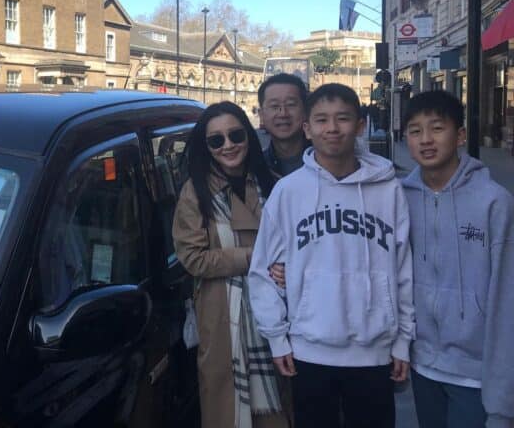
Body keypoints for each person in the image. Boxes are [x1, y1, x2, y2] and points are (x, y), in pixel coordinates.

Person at [248, 83, 414, 428]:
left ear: (361, 125)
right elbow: (262, 270)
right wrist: (277, 338)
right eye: (322, 120)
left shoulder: (388, 188)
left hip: (374, 351)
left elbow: (402, 268)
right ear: (307, 128)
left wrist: (402, 340)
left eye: (342, 118)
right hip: (309, 350)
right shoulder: (289, 191)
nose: (332, 128)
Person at [172, 101, 289, 428]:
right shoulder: (194, 193)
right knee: (229, 412)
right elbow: (192, 257)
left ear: (248, 136)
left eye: (235, 134)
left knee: (280, 408)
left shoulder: (276, 185)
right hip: (224, 320)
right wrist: (254, 258)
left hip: (278, 314)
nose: (228, 145)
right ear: (206, 147)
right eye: (216, 140)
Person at [402, 90, 514, 428]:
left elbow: (507, 300)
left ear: (460, 135)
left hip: (476, 375)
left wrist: (503, 404)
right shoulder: (400, 198)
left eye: (437, 128)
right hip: (423, 367)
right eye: (415, 130)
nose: (426, 140)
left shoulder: (493, 202)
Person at [258, 73, 310, 179]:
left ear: (305, 111)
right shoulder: (256, 167)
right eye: (274, 106)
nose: (283, 114)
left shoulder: (326, 161)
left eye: (291, 104)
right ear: (261, 115)